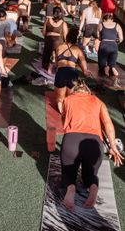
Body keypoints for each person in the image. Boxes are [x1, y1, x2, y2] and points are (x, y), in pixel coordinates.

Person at [61, 79, 123, 211]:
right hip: (94, 143)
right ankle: (93, 189)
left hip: (72, 140)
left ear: (74, 91)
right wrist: (112, 146)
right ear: (89, 92)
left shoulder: (67, 100)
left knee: (68, 174)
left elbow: (63, 122)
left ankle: (71, 189)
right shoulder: (98, 102)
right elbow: (108, 124)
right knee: (90, 175)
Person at [55, 27, 92, 113]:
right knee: (70, 97)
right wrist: (85, 70)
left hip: (61, 73)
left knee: (59, 98)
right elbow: (83, 61)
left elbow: (56, 63)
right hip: (72, 74)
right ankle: (69, 113)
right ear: (76, 39)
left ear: (67, 36)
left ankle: (62, 113)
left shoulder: (59, 47)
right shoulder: (78, 50)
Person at [42, 7, 68, 73]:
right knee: (59, 55)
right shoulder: (63, 23)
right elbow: (65, 35)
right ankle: (58, 67)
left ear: (53, 13)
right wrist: (66, 43)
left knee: (46, 56)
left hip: (49, 39)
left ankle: (46, 65)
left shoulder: (47, 20)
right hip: (59, 41)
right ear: (60, 13)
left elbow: (43, 32)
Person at [98, 13, 123, 77]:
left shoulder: (101, 25)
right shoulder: (117, 25)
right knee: (112, 64)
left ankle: (105, 68)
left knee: (102, 65)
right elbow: (121, 38)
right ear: (112, 19)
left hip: (104, 44)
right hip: (113, 45)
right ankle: (112, 68)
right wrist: (116, 43)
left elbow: (99, 37)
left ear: (104, 19)